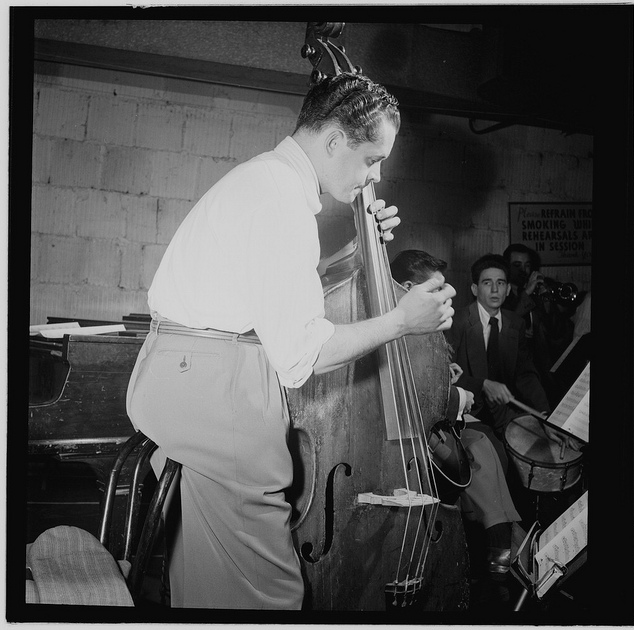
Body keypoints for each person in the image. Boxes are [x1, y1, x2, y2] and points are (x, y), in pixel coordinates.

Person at [125, 72, 456, 610]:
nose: (376, 174)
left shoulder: (268, 182)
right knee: (269, 593)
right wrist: (400, 320)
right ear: (332, 142)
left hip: (196, 374)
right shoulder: (277, 197)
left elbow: (273, 292)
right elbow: (306, 353)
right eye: (371, 159)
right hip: (215, 387)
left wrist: (358, 245)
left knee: (211, 580)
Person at [391, 250, 520, 606]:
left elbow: (425, 383)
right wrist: (457, 396)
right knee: (477, 448)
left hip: (436, 421)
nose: (444, 295)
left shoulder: (419, 324)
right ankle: (501, 542)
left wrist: (444, 375)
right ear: (406, 288)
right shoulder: (395, 326)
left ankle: (500, 541)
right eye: (434, 288)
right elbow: (412, 398)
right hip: (416, 431)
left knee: (483, 442)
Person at [444, 254, 580, 456]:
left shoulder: (515, 322)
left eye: (500, 283)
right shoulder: (456, 321)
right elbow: (446, 376)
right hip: (468, 413)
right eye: (487, 282)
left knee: (547, 449)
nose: (494, 289)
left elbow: (525, 374)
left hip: (504, 413)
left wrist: (544, 415)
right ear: (475, 289)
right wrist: (482, 384)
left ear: (508, 289)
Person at [502, 244, 575, 399]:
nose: (523, 270)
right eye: (517, 265)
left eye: (527, 265)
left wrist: (548, 304)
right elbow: (508, 321)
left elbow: (557, 331)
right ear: (507, 267)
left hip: (542, 370)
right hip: (514, 373)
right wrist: (527, 292)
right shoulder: (501, 294)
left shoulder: (536, 293)